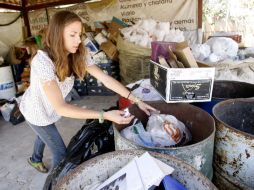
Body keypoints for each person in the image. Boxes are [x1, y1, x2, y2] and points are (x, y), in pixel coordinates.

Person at [19, 10, 156, 173]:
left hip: (49, 110)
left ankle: (35, 158)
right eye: (73, 34)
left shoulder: (77, 54)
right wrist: (103, 115)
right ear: (57, 34)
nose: (78, 40)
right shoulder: (42, 62)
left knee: (45, 133)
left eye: (80, 34)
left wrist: (136, 99)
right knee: (61, 153)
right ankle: (55, 183)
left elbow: (105, 79)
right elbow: (61, 108)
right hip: (36, 111)